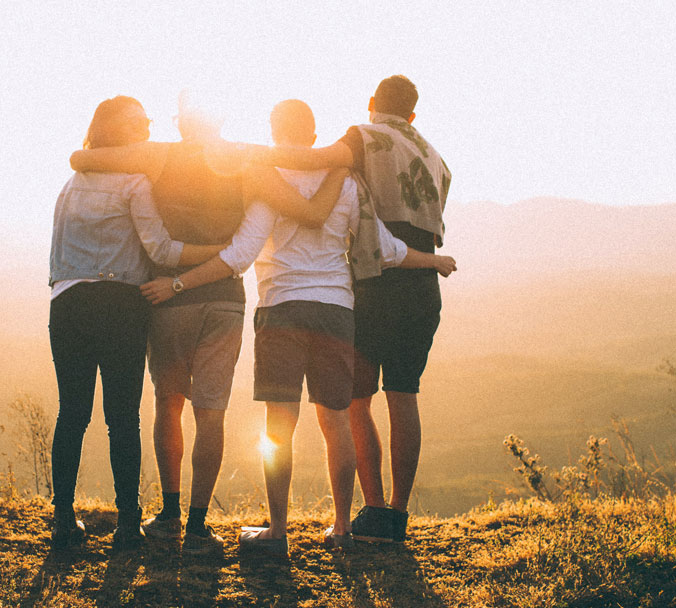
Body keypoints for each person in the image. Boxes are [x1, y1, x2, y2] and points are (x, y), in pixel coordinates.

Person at [141, 99, 456, 556]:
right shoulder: (347, 182)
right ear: (313, 136)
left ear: (273, 131)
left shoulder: (268, 180)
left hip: (281, 309)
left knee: (279, 427)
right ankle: (343, 528)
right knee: (336, 423)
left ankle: (278, 532)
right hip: (336, 311)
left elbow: (240, 255)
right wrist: (434, 261)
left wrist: (178, 283)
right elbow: (385, 248)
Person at [69, 92, 345, 554]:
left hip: (168, 297)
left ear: (181, 124)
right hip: (225, 300)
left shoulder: (159, 156)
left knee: (168, 402)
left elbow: (85, 158)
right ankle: (198, 526)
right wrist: (341, 166)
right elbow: (306, 210)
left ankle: (169, 512)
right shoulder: (247, 161)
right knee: (211, 411)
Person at [252, 75, 452, 543]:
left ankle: (372, 510)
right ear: (414, 114)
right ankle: (395, 517)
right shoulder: (437, 158)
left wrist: (248, 155)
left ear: (371, 104)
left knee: (354, 403)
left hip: (375, 281)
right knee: (404, 396)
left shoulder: (364, 137)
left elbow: (316, 160)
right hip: (421, 284)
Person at [48, 95, 226, 550]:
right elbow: (162, 251)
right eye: (138, 123)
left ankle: (63, 521)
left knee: (72, 414)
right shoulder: (134, 182)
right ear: (117, 132)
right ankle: (128, 525)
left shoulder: (71, 184)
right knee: (122, 418)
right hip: (120, 305)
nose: (147, 128)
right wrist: (221, 253)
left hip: (67, 303)